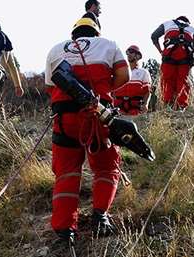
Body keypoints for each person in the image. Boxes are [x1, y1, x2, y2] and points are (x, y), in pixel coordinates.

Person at [44, 17, 129, 247]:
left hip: (64, 121)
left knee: (67, 173)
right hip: (98, 118)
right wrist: (101, 93)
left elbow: (50, 87)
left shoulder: (55, 49)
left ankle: (64, 230)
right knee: (106, 167)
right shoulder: (109, 44)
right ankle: (100, 216)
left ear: (74, 34)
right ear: (96, 33)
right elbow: (124, 76)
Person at [151, 16, 194, 110]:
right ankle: (181, 106)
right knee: (183, 81)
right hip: (185, 57)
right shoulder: (192, 29)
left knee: (167, 80)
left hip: (169, 55)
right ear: (187, 22)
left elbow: (154, 36)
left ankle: (168, 105)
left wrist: (160, 51)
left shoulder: (167, 23)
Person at [113, 45, 152, 116]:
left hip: (135, 108)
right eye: (127, 53)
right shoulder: (120, 72)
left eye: (131, 52)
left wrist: (145, 104)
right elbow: (113, 90)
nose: (129, 54)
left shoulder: (143, 72)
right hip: (119, 107)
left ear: (138, 56)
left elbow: (147, 91)